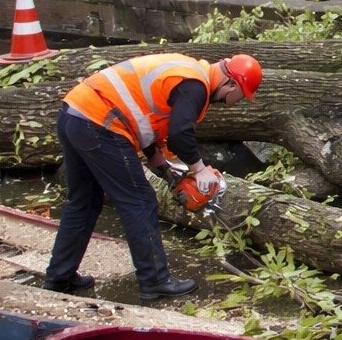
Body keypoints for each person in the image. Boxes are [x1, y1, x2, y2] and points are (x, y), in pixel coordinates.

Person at [44, 53, 262, 302]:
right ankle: (155, 280)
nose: (235, 103)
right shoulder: (195, 85)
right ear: (231, 84)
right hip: (101, 124)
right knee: (140, 201)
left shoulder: (187, 72)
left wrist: (167, 173)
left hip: (76, 114)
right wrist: (199, 169)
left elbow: (143, 117)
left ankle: (60, 275)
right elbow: (180, 134)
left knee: (84, 201)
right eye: (240, 97)